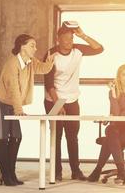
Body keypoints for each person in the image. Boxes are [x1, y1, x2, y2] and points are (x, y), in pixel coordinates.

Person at [0, 34, 54, 186]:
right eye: (32, 45)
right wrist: (18, 109)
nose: (35, 48)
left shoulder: (30, 62)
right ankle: (6, 176)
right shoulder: (12, 64)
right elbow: (13, 89)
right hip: (1, 103)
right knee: (2, 138)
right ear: (22, 46)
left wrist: (49, 63)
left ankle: (11, 174)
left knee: (17, 137)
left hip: (13, 104)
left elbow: (42, 69)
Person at [44, 24, 103, 181]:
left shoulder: (78, 50)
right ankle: (56, 172)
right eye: (66, 39)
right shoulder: (51, 54)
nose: (69, 41)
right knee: (56, 136)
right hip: (54, 99)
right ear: (58, 39)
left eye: (71, 38)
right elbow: (48, 83)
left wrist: (82, 35)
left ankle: (75, 171)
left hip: (72, 99)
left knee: (72, 136)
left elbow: (99, 49)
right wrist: (59, 104)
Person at [87, 64, 125, 184]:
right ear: (118, 77)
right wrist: (113, 92)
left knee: (109, 138)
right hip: (118, 128)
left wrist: (116, 117)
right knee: (111, 131)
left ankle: (98, 170)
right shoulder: (114, 91)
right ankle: (121, 172)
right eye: (124, 75)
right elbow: (115, 112)